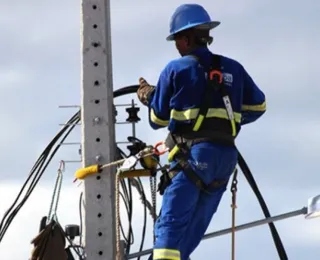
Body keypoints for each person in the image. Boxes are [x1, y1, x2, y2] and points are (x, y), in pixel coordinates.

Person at [137, 3, 266, 260]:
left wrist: (150, 95)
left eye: (176, 40)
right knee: (188, 239)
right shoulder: (234, 69)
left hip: (192, 159)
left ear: (186, 39)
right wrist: (224, 121)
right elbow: (258, 106)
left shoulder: (176, 69)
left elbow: (157, 118)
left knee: (169, 232)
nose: (176, 45)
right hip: (224, 160)